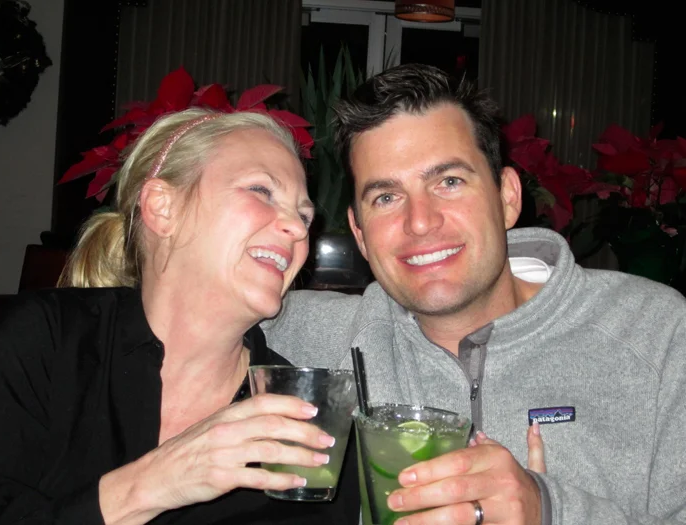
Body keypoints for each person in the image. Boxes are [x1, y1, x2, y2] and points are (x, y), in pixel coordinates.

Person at [261, 64, 686, 525]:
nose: (420, 221)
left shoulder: (657, 333)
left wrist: (550, 510)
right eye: (386, 197)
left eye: (449, 182)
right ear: (360, 234)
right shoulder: (309, 337)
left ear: (508, 197)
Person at [0, 108, 360, 524]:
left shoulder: (303, 419)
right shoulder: (49, 342)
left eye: (305, 216)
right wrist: (154, 484)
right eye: (261, 190)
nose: (298, 228)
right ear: (163, 208)